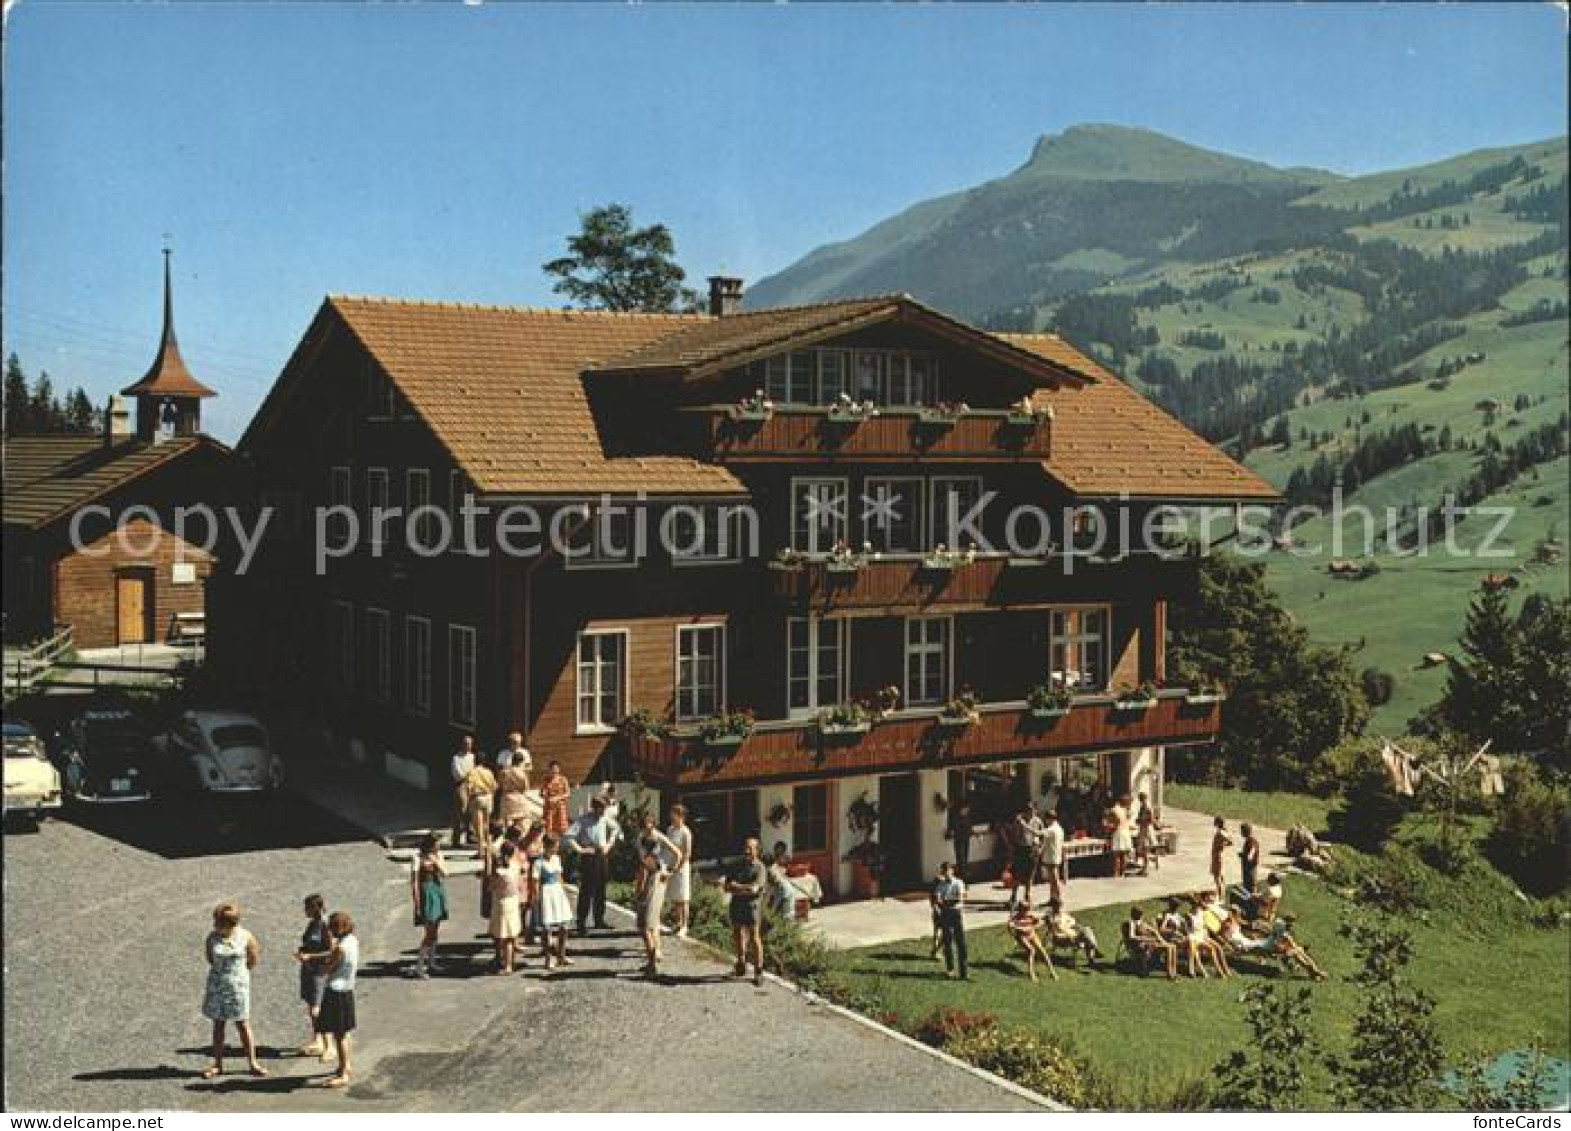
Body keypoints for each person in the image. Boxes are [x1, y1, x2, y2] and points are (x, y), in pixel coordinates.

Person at [200, 902, 266, 1079]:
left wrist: (238, 976)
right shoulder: (212, 938)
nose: (215, 925)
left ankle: (253, 1063)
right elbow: (210, 958)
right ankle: (218, 1064)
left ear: (231, 924)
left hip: (238, 988)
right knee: (218, 1026)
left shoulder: (245, 936)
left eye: (219, 922)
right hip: (217, 986)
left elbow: (253, 958)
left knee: (243, 1025)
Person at [315, 911, 359, 1088]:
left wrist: (312, 964)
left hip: (335, 992)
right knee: (345, 1032)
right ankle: (346, 1065)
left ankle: (342, 1073)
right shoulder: (352, 941)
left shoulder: (340, 948)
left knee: (338, 1034)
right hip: (347, 990)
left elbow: (327, 968)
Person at [1219, 910, 1327, 980]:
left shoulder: (1234, 922)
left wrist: (1257, 928)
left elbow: (1247, 926)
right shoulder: (1226, 926)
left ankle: (1313, 971)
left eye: (1236, 913)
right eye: (1234, 914)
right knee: (1297, 952)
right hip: (1251, 946)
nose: (1236, 915)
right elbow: (1224, 939)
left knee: (1298, 953)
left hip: (1260, 943)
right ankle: (1315, 971)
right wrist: (1229, 947)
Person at [569, 794, 620, 933]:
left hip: (602, 855)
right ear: (595, 807)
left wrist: (609, 844)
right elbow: (570, 836)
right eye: (601, 809)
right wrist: (580, 849)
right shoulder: (583, 820)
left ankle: (599, 919)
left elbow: (616, 829)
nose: (603, 812)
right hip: (589, 855)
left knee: (601, 889)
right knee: (586, 890)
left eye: (604, 809)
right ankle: (581, 922)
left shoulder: (604, 818)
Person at [634, 818, 677, 977]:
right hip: (658, 886)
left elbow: (642, 881)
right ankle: (653, 959)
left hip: (648, 893)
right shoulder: (657, 862)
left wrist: (638, 894)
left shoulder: (647, 862)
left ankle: (652, 964)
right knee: (653, 925)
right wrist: (669, 872)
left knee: (645, 928)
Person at [293, 894, 333, 1060]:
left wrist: (310, 957)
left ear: (316, 908)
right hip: (308, 969)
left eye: (307, 908)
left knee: (318, 1009)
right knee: (311, 1006)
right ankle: (317, 1039)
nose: (305, 911)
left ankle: (329, 1045)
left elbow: (331, 950)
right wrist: (302, 951)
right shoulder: (312, 924)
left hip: (319, 972)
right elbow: (308, 943)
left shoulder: (325, 926)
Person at [724, 836, 768, 986]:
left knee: (755, 937)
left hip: (752, 907)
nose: (747, 851)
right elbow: (727, 886)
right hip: (737, 905)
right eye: (746, 847)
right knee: (737, 933)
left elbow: (755, 889)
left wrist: (738, 887)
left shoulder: (760, 868)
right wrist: (744, 888)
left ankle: (758, 971)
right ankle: (741, 962)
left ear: (757, 850)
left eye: (750, 848)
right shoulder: (737, 865)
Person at [530, 834, 575, 969]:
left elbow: (560, 877)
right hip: (547, 893)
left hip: (557, 892)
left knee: (564, 926)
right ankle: (548, 958)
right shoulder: (539, 862)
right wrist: (537, 898)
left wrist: (565, 891)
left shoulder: (557, 859)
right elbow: (535, 881)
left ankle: (561, 955)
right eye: (555, 846)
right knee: (547, 928)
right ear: (548, 846)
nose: (557, 848)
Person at [409, 833, 448, 978]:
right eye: (437, 843)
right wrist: (417, 903)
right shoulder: (417, 858)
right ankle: (419, 966)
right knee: (429, 932)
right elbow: (414, 882)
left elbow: (445, 873)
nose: (439, 846)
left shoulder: (439, 856)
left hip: (437, 891)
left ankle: (431, 961)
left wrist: (436, 862)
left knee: (435, 929)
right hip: (426, 893)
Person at [486, 840, 524, 974]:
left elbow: (490, 887)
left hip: (501, 902)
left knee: (501, 934)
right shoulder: (515, 866)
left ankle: (505, 963)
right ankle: (510, 961)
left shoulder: (499, 870)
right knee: (511, 934)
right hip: (513, 900)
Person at [931, 860, 968, 980]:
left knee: (961, 943)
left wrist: (947, 901)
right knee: (947, 943)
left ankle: (963, 972)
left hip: (956, 913)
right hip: (945, 914)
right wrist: (941, 904)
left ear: (952, 871)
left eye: (948, 871)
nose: (946, 874)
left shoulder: (958, 883)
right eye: (944, 871)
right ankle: (950, 970)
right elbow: (937, 899)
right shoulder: (941, 885)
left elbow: (961, 898)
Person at [1121, 907, 1178, 979]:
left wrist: (1163, 941)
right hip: (1139, 944)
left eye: (1141, 914)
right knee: (1168, 947)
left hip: (1150, 942)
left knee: (1172, 946)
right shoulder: (1131, 923)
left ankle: (1174, 971)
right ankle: (1170, 973)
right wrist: (1146, 938)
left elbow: (1155, 931)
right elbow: (1131, 936)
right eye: (1140, 914)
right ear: (1135, 914)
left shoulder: (1141, 922)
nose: (1141, 916)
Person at [663, 804, 694, 938]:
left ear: (681, 816)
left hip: (681, 868)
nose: (672, 816)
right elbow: (666, 846)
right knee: (675, 898)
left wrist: (677, 867)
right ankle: (678, 922)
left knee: (683, 898)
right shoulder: (670, 829)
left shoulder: (686, 832)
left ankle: (685, 926)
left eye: (674, 814)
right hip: (671, 866)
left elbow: (687, 853)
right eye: (671, 814)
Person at [1006, 904, 1057, 982]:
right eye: (1025, 910)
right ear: (1020, 910)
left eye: (1028, 910)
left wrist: (1035, 925)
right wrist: (1012, 929)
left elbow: (1039, 922)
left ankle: (1052, 971)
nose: (1027, 912)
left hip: (1032, 934)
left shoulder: (1030, 915)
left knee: (1042, 950)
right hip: (1022, 937)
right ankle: (1031, 974)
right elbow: (1010, 928)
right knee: (1031, 951)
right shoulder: (1015, 918)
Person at [1046, 898, 1103, 967]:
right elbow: (1053, 933)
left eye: (1060, 906)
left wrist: (1080, 927)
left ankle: (1092, 955)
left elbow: (1074, 923)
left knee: (1087, 931)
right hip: (1061, 939)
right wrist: (1065, 935)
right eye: (1057, 906)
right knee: (1086, 937)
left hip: (1073, 936)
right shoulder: (1051, 918)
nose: (1059, 908)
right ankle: (1093, 953)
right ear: (1053, 907)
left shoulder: (1064, 915)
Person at [1007, 804, 1044, 910]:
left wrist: (1040, 848)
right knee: (1017, 874)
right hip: (1020, 849)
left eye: (1032, 811)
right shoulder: (1019, 821)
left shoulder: (1038, 821)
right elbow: (1013, 835)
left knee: (1030, 874)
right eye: (1029, 811)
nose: (1030, 813)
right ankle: (1013, 896)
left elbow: (1042, 835)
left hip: (1032, 849)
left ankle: (1027, 895)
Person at [461, 757, 498, 849]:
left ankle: (481, 849)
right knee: (486, 824)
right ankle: (488, 847)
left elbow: (469, 787)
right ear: (484, 761)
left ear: (474, 761)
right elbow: (495, 786)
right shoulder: (489, 772)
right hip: (488, 797)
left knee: (478, 826)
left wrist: (467, 799)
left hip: (477, 797)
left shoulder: (472, 772)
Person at [449, 735, 477, 847]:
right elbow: (458, 775)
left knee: (470, 813)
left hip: (472, 785)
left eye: (470, 744)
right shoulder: (456, 758)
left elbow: (475, 771)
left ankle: (469, 836)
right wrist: (470, 775)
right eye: (466, 744)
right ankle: (456, 840)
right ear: (462, 745)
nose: (468, 746)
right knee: (460, 812)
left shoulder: (472, 757)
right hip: (461, 786)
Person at [496, 756, 534, 830]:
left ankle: (508, 838)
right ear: (520, 762)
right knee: (520, 822)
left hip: (507, 797)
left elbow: (499, 785)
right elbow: (526, 787)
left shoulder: (504, 772)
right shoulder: (522, 772)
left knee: (507, 822)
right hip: (518, 797)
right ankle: (517, 838)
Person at [540, 760, 571, 838]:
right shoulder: (546, 780)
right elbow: (541, 793)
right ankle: (550, 844)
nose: (554, 770)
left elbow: (568, 793)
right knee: (549, 827)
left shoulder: (563, 779)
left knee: (562, 828)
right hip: (549, 808)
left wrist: (557, 798)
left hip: (560, 807)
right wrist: (544, 794)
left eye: (556, 768)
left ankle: (561, 845)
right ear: (549, 769)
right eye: (552, 769)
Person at [1041, 808, 1067, 899]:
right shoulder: (1060, 828)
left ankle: (1059, 898)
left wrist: (1024, 825)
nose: (1046, 821)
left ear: (1050, 819)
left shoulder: (1051, 829)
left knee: (1055, 879)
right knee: (1052, 879)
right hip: (1055, 855)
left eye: (1046, 819)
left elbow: (1038, 833)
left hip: (1052, 857)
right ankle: (1053, 898)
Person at [946, 796, 973, 878]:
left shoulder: (967, 817)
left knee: (965, 857)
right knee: (961, 858)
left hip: (966, 839)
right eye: (967, 808)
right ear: (963, 808)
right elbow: (954, 828)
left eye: (968, 808)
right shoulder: (956, 817)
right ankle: (962, 875)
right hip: (959, 839)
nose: (968, 810)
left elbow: (969, 827)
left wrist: (973, 833)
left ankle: (964, 875)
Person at [1134, 792, 1159, 876]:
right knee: (1144, 849)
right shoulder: (1143, 807)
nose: (1141, 801)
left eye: (1141, 799)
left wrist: (1142, 820)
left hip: (1146, 830)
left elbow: (1151, 820)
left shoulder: (1147, 807)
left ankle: (1145, 869)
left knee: (1145, 850)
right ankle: (1144, 868)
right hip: (1143, 829)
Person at [1109, 794, 1133, 878]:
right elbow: (1127, 820)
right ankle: (1122, 872)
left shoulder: (1114, 810)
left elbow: (1115, 823)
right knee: (1124, 854)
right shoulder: (1126, 810)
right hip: (1126, 832)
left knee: (1117, 855)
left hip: (1118, 832)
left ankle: (1116, 873)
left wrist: (1110, 826)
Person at [1210, 816, 1233, 901]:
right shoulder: (1222, 831)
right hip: (1219, 856)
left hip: (1218, 856)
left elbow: (1231, 842)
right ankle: (1222, 896)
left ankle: (1221, 897)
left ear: (1218, 823)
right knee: (1221, 877)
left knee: (1217, 877)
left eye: (1215, 821)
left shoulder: (1221, 832)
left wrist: (1221, 845)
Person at [1239, 823, 1261, 896]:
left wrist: (1248, 856)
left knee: (1251, 888)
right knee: (1247, 888)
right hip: (1247, 869)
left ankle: (1252, 904)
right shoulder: (1249, 840)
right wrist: (1243, 855)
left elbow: (1253, 849)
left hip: (1250, 869)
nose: (1241, 832)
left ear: (1246, 831)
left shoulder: (1252, 840)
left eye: (1242, 831)